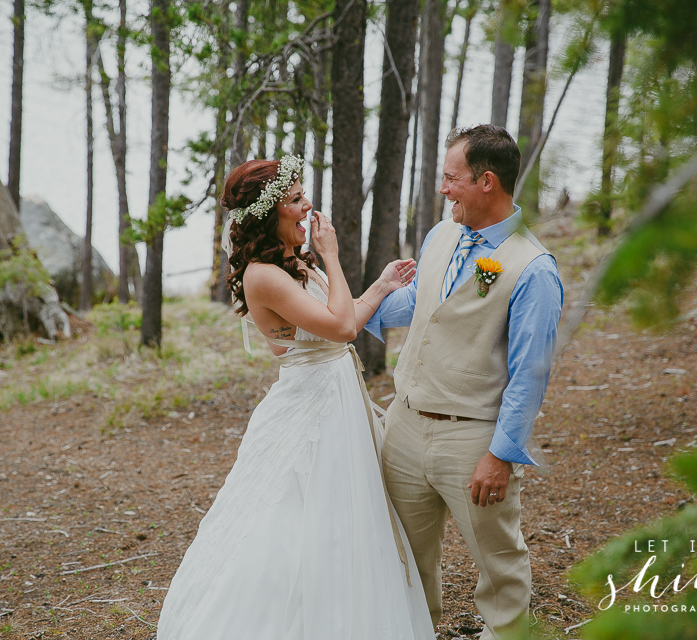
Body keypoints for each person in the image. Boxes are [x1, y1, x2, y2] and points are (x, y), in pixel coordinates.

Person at [157, 155, 434, 639]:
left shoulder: (291, 262)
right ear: (269, 214)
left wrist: (384, 284)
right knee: (297, 516)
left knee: (344, 521)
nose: (307, 207)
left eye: (303, 196)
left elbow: (337, 322)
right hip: (312, 405)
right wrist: (332, 254)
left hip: (335, 394)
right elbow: (344, 328)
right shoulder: (263, 276)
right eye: (295, 200)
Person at [366, 124, 564, 639]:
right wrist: (333, 306)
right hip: (404, 429)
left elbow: (530, 374)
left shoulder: (534, 268)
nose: (443, 188)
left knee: (500, 568)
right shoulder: (442, 234)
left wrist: (500, 454)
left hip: (471, 438)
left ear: (487, 182)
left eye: (451, 178)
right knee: (406, 561)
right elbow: (418, 307)